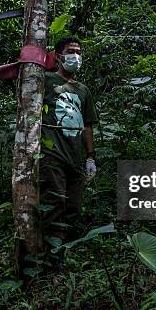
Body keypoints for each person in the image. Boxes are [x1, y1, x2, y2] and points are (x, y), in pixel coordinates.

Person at [40, 37, 97, 252]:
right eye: (71, 51)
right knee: (54, 204)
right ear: (59, 56)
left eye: (79, 52)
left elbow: (88, 125)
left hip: (76, 156)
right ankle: (51, 254)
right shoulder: (45, 80)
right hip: (52, 153)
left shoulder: (83, 90)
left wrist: (91, 156)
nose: (76, 56)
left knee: (73, 206)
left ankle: (67, 250)